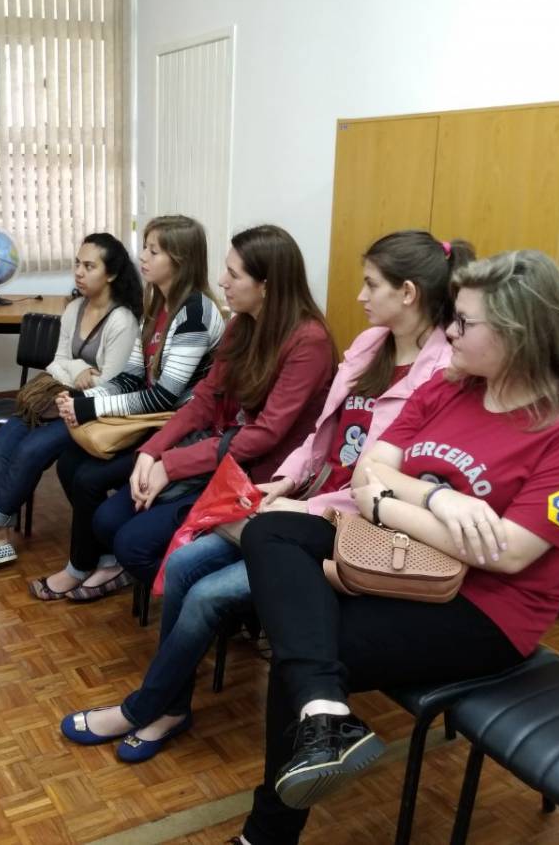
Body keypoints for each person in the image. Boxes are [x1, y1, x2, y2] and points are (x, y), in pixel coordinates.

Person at [234, 250, 559, 844]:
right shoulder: (449, 388)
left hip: (486, 609)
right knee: (270, 530)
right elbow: (368, 471)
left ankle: (269, 828)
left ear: (518, 332)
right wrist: (441, 499)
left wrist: (386, 502)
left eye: (464, 322)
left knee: (309, 644)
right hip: (395, 554)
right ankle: (325, 713)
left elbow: (507, 553)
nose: (450, 332)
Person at [59, 230, 470, 760]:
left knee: (205, 593)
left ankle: (147, 707)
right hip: (302, 502)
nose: (360, 296)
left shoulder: (440, 374)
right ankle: (170, 705)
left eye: (371, 285)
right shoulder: (371, 346)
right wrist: (289, 481)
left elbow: (381, 484)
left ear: (408, 293)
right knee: (181, 563)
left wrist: (301, 504)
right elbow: (321, 438)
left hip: (353, 527)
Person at [96, 224, 336, 590]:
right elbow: (205, 398)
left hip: (257, 476)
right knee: (107, 520)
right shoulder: (242, 325)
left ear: (266, 285)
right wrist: (151, 452)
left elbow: (264, 435)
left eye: (234, 274)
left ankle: (199, 596)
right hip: (220, 456)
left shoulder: (309, 342)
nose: (222, 280)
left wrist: (172, 465)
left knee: (133, 545)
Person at [30, 215, 225, 600]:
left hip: (180, 432)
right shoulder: (156, 305)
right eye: (145, 248)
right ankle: (102, 559)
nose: (142, 257)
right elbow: (133, 377)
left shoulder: (195, 314)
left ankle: (83, 566)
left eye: (153, 251)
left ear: (180, 260)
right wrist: (85, 399)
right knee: (69, 463)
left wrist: (91, 409)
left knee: (88, 478)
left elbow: (164, 397)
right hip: (150, 422)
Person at [0, 233, 142, 573]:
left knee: (31, 451)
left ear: (112, 274)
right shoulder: (74, 308)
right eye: (77, 263)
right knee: (1, 443)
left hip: (90, 410)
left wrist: (78, 377)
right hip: (54, 397)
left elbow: (111, 385)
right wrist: (80, 369)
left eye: (89, 266)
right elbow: (56, 363)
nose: (78, 272)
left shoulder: (122, 321)